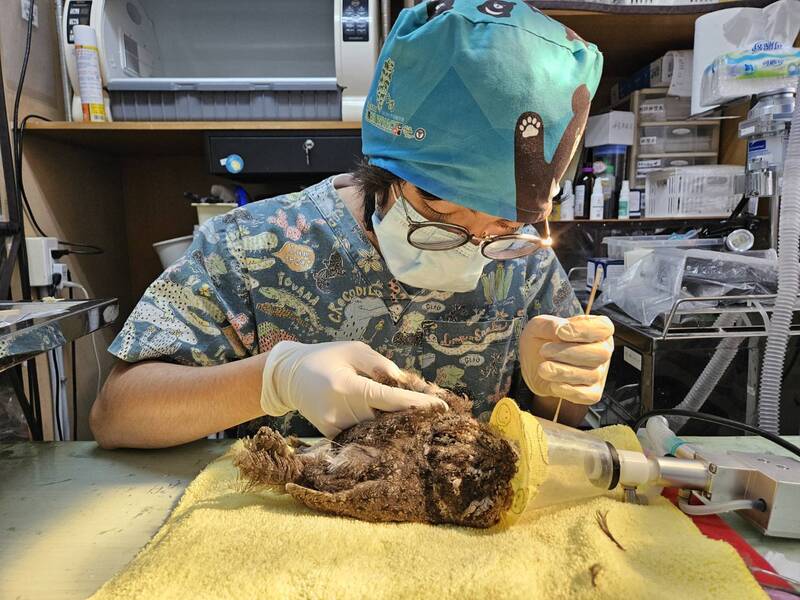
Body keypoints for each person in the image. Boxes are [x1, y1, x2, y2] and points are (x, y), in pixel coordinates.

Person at [90, 0, 614, 449]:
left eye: (501, 224)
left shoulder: (525, 263)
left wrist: (553, 383)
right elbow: (117, 413)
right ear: (385, 169)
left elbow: (558, 430)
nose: (470, 248)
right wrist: (276, 379)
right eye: (439, 210)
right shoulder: (254, 246)